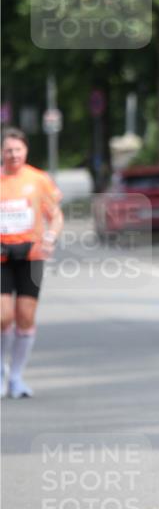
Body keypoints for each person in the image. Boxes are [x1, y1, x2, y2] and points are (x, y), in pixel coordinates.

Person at [1, 127, 63, 398]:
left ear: (25, 151)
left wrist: (50, 237)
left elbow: (56, 215)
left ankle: (17, 378)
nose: (13, 154)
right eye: (8, 150)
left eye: (18, 149)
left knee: (25, 317)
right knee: (3, 316)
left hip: (31, 256)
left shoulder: (38, 180)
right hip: (2, 255)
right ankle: (1, 374)